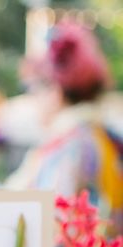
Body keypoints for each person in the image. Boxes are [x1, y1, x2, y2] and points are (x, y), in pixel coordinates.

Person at [8, 21, 123, 231]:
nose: (32, 98)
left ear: (55, 91)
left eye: (33, 88)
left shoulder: (70, 143)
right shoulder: (101, 134)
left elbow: (55, 225)